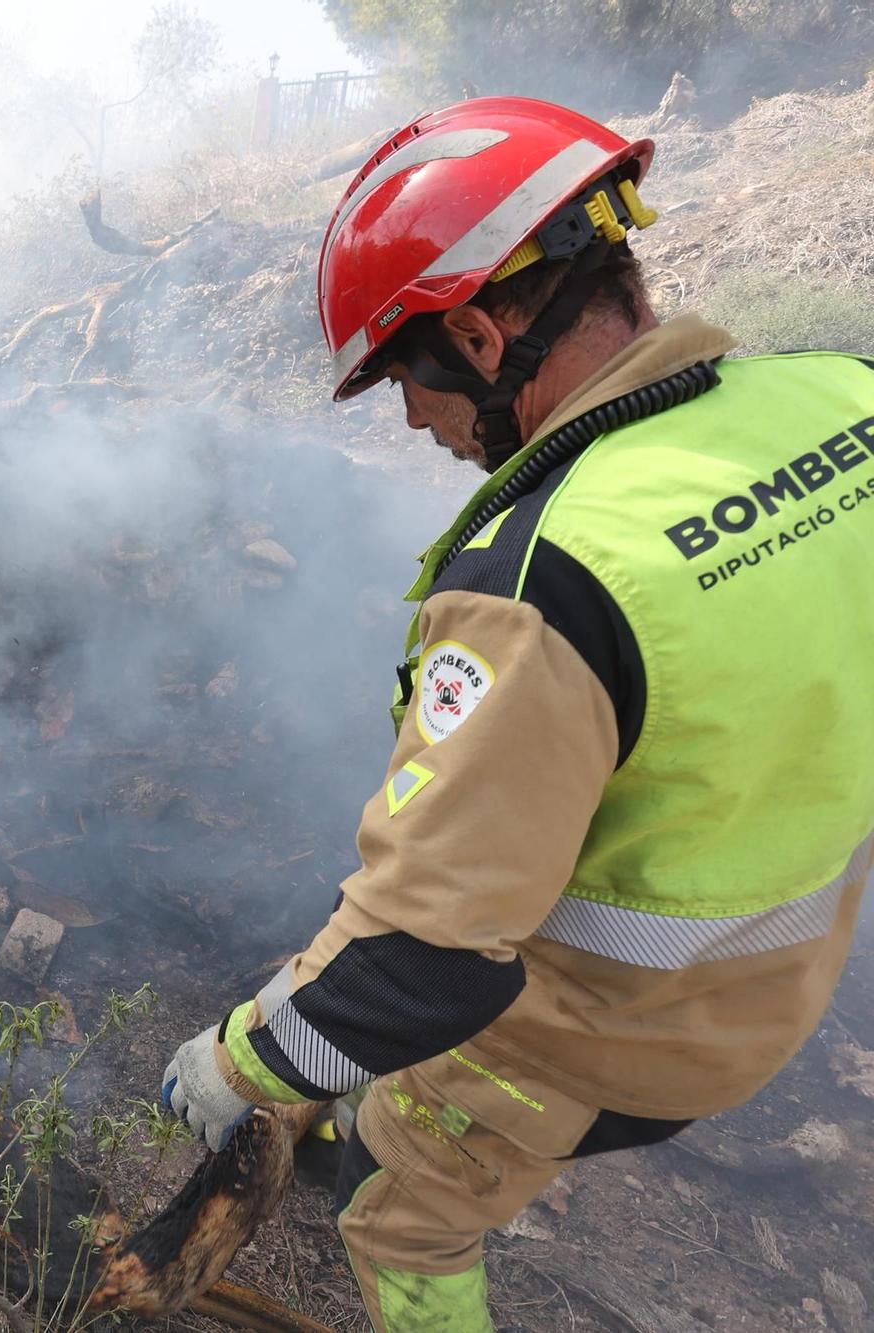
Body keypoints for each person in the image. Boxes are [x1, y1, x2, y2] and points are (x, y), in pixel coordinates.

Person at [161, 97, 874, 1330]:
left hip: (631, 1028)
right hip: (792, 961)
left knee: (394, 1198)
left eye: (401, 375)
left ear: (483, 340)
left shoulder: (539, 584)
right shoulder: (840, 394)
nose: (407, 420)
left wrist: (235, 1066)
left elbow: (425, 960)